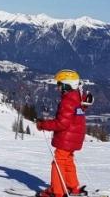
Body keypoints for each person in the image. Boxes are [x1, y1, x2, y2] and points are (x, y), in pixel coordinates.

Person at [35, 69, 90, 197]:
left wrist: (43, 124)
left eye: (60, 85)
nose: (58, 88)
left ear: (67, 85)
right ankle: (72, 187)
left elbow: (61, 123)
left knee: (58, 162)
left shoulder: (68, 101)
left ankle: (57, 191)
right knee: (68, 161)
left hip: (67, 138)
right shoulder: (77, 97)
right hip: (75, 137)